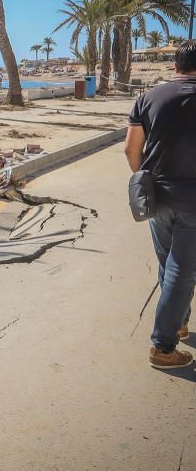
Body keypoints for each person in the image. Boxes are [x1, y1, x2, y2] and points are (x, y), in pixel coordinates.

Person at [125, 40, 196, 370]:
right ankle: (162, 347)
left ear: (175, 66)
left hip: (158, 196)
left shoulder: (148, 98)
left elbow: (130, 149)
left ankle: (179, 323)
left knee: (170, 264)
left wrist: (144, 178)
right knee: (183, 270)